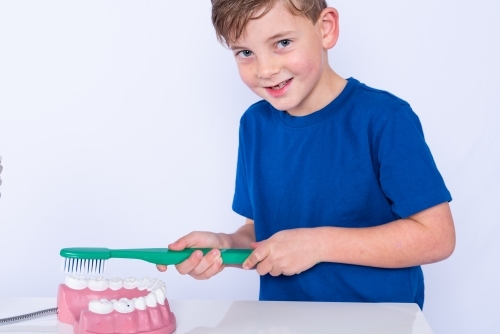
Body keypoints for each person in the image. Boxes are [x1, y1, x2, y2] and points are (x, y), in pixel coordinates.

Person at [157, 0, 455, 309]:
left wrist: (318, 244)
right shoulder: (254, 126)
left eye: (282, 43)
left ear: (326, 29)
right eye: (245, 52)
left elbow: (437, 237)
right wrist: (225, 245)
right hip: (284, 321)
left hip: (379, 324)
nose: (265, 69)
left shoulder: (385, 119)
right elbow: (261, 232)